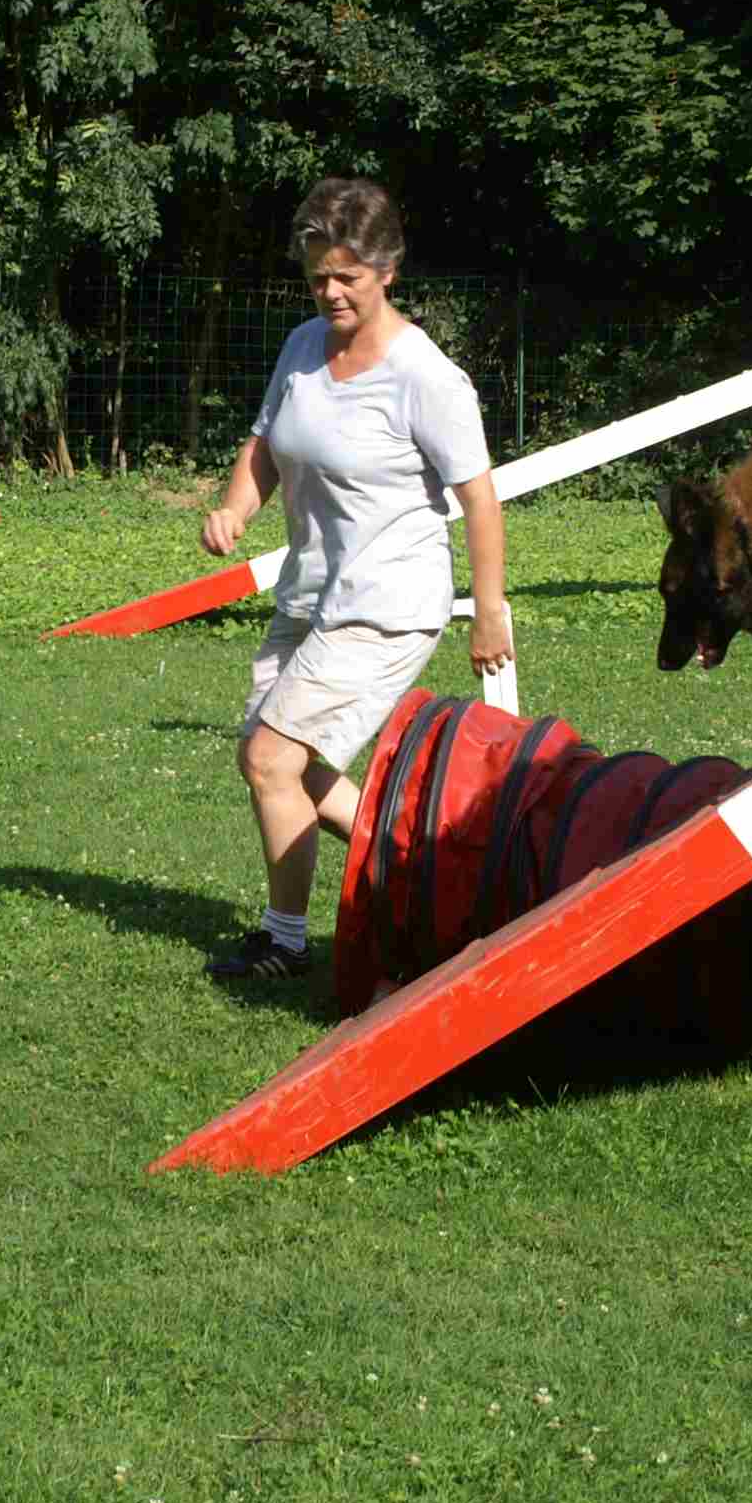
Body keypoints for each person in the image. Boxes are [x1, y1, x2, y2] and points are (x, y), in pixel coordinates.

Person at [200, 177, 512, 981]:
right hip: (311, 591)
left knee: (272, 758)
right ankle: (420, 867)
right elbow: (265, 444)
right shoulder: (303, 347)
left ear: (388, 269)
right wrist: (235, 507)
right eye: (318, 278)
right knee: (286, 766)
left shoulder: (425, 376)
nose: (331, 292)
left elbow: (479, 498)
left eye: (347, 276)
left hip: (387, 600)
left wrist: (489, 611)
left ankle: (284, 941)